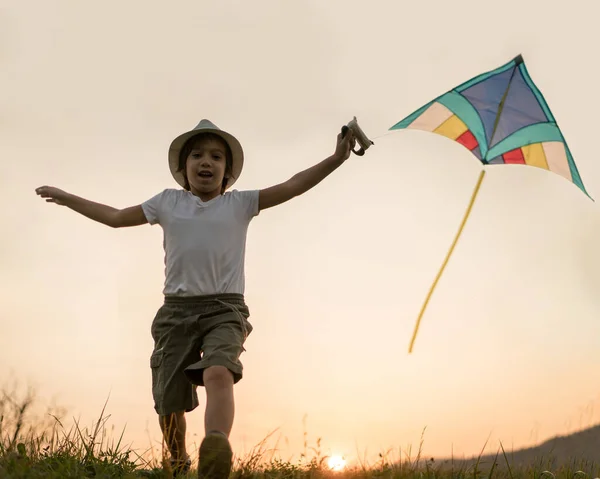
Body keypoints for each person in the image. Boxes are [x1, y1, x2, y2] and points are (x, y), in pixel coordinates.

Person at [35, 119, 356, 478]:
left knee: (220, 372)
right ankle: (177, 460)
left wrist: (336, 158)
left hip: (226, 309)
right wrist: (66, 198)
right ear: (183, 169)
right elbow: (115, 217)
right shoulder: (167, 203)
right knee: (168, 401)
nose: (207, 162)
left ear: (228, 172)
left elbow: (293, 185)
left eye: (216, 157)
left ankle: (216, 447)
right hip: (176, 313)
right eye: (198, 156)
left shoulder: (241, 204)